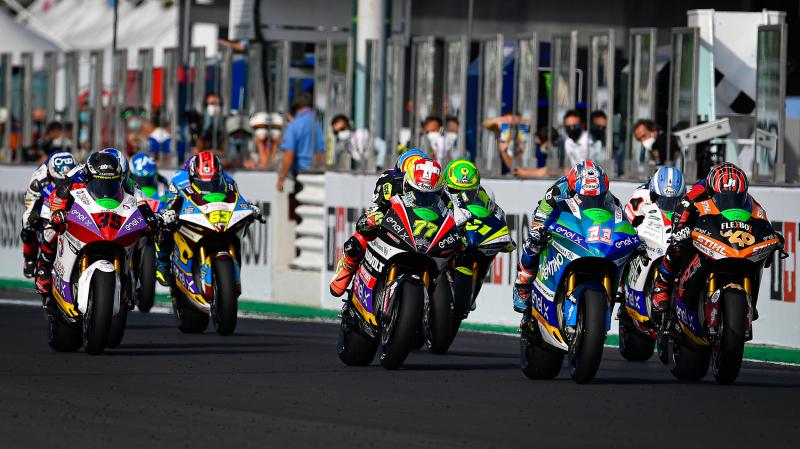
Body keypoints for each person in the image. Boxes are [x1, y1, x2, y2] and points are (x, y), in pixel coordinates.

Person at [651, 162, 771, 313]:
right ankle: (661, 287)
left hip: (730, 240)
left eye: (737, 197)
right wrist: (680, 229)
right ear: (711, 189)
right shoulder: (697, 192)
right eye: (723, 197)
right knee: (677, 246)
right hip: (700, 230)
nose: (731, 201)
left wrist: (771, 235)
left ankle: (749, 301)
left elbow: (761, 218)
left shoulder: (748, 200)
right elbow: (681, 211)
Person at [512, 161, 616, 313]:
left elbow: (619, 218)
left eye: (595, 198)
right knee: (534, 240)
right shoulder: (556, 192)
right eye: (585, 197)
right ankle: (522, 284)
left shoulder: (608, 197)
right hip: (557, 220)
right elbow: (541, 217)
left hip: (589, 230)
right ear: (572, 189)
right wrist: (540, 229)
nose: (591, 201)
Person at [329, 149, 430, 297]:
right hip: (395, 225)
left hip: (424, 231)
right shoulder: (389, 180)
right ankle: (348, 266)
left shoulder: (435, 190)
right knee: (363, 230)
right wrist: (375, 217)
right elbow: (378, 207)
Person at [155, 151, 261, 285]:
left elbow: (237, 199)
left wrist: (249, 208)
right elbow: (170, 204)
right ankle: (162, 264)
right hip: (189, 217)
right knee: (165, 227)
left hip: (217, 217)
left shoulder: (228, 181)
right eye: (202, 182)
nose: (208, 185)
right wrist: (168, 214)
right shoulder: (179, 180)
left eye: (213, 181)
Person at [35, 152, 132, 296]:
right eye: (99, 180)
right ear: (89, 175)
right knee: (52, 228)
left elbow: (137, 200)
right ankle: (43, 267)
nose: (105, 185)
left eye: (111, 181)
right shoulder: (76, 178)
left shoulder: (124, 184)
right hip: (77, 212)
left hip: (107, 219)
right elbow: (57, 195)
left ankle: (129, 282)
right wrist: (58, 211)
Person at [20, 152, 78, 278]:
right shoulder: (37, 180)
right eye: (59, 181)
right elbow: (29, 209)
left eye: (66, 181)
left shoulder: (79, 175)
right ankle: (29, 259)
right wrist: (37, 214)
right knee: (28, 222)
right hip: (45, 210)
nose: (63, 185)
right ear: (49, 175)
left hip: (70, 210)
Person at [277, 92, 325, 192]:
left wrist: (281, 178)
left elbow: (289, 154)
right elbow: (320, 152)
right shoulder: (317, 124)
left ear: (297, 107)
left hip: (299, 173)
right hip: (315, 173)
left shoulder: (294, 125)